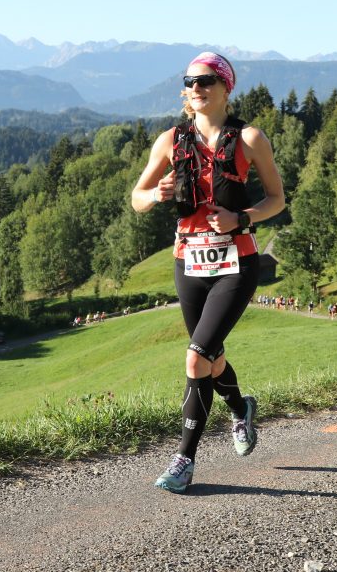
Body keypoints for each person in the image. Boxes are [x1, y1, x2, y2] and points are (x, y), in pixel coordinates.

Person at [131, 51, 285, 493]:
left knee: (197, 356)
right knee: (210, 356)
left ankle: (184, 460)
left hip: (236, 261)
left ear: (225, 88)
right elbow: (136, 198)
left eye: (206, 82)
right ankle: (240, 408)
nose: (196, 89)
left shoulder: (250, 138)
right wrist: (155, 196)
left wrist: (243, 218)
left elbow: (277, 199)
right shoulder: (171, 140)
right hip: (189, 262)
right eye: (190, 82)